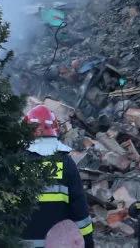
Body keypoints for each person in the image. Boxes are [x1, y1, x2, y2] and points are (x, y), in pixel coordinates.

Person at [21, 104, 94, 248]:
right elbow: (79, 207)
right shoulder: (66, 163)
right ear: (54, 129)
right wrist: (88, 241)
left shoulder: (17, 162)